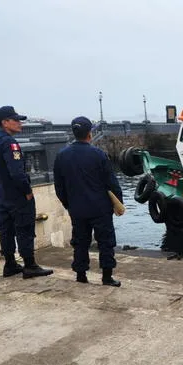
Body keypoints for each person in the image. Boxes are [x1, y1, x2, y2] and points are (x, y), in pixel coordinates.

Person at [0, 106, 54, 279]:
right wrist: (27, 191)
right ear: (5, 122)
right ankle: (30, 265)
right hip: (17, 195)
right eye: (16, 120)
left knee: (6, 229)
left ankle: (10, 264)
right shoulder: (10, 143)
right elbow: (17, 173)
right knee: (24, 228)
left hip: (3, 194)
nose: (20, 123)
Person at [54, 116, 123, 287]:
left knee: (80, 242)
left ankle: (81, 275)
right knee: (105, 242)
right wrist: (118, 202)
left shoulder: (62, 156)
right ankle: (107, 277)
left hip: (77, 208)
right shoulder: (99, 155)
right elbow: (111, 182)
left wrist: (68, 204)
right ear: (89, 134)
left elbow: (59, 186)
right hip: (100, 208)